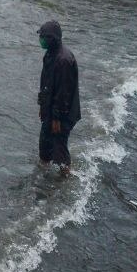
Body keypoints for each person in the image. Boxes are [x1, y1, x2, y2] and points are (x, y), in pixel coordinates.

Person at [37, 21, 81, 176]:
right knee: (44, 146)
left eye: (43, 37)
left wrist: (56, 118)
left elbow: (64, 94)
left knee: (59, 149)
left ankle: (65, 179)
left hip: (63, 114)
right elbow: (46, 84)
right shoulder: (50, 54)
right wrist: (42, 106)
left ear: (52, 38)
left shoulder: (63, 60)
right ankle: (42, 178)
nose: (40, 39)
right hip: (50, 110)